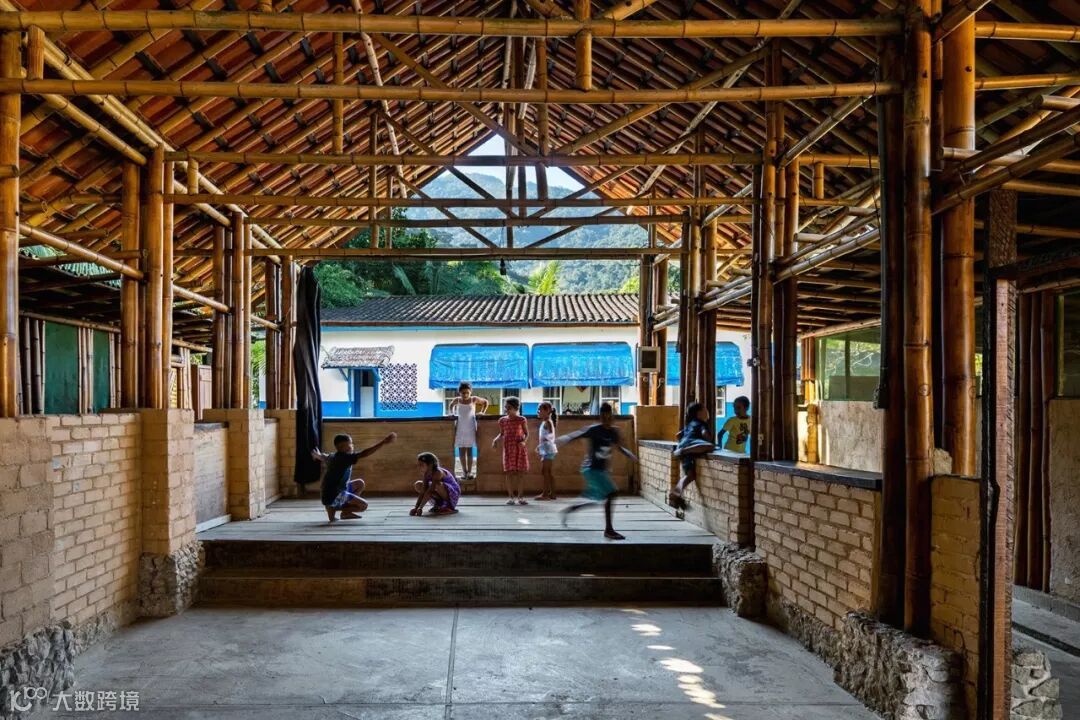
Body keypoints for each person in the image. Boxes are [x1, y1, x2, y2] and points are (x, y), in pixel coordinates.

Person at [557, 403, 637, 540]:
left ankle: (571, 509)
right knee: (611, 493)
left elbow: (619, 447)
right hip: (591, 469)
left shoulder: (614, 432)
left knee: (599, 498)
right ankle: (609, 530)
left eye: (608, 417)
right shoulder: (594, 429)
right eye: (603, 417)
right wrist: (563, 439)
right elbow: (576, 435)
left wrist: (628, 453)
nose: (606, 419)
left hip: (601, 470)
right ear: (600, 417)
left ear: (612, 416)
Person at [311, 432, 396, 523]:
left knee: (359, 483)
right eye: (350, 444)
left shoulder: (334, 456)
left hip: (327, 495)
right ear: (343, 447)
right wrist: (383, 442)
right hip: (335, 496)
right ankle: (343, 510)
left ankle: (339, 511)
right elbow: (364, 453)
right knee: (363, 505)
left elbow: (324, 457)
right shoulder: (345, 458)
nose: (352, 446)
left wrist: (317, 455)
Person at [669, 402, 715, 509]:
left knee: (690, 476)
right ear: (699, 413)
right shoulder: (701, 423)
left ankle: (675, 494)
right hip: (690, 445)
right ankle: (684, 450)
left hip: (683, 445)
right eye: (705, 410)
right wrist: (708, 437)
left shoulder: (690, 424)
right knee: (710, 446)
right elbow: (704, 434)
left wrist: (683, 442)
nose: (707, 412)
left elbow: (678, 435)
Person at [492, 396, 530, 505]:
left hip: (519, 449)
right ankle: (511, 497)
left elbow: (526, 434)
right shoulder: (502, 421)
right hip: (508, 450)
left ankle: (521, 497)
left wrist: (524, 442)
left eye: (509, 408)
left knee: (520, 473)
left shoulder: (521, 420)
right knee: (509, 473)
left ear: (516, 408)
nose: (506, 410)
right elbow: (502, 433)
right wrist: (495, 439)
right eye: (506, 407)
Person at [448, 381, 489, 480]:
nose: (465, 395)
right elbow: (451, 405)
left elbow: (485, 402)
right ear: (459, 392)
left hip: (470, 427)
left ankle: (470, 472)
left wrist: (482, 412)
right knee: (461, 451)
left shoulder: (473, 399)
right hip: (460, 428)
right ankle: (464, 472)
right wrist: (452, 413)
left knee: (470, 451)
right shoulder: (457, 400)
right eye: (463, 393)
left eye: (467, 392)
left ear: (470, 392)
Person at [410, 452, 461, 516]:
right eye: (419, 465)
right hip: (440, 491)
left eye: (421, 465)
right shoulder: (426, 474)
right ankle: (438, 504)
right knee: (418, 484)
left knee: (437, 484)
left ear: (430, 465)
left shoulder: (438, 472)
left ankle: (449, 506)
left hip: (453, 494)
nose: (419, 467)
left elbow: (430, 491)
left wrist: (420, 508)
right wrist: (416, 508)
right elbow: (423, 491)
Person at [534, 401, 559, 501]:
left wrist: (545, 439)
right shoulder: (545, 422)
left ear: (547, 411)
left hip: (548, 450)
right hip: (547, 449)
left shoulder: (548, 422)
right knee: (547, 472)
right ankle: (552, 493)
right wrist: (540, 446)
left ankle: (545, 494)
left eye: (540, 409)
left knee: (546, 472)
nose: (538, 411)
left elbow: (551, 434)